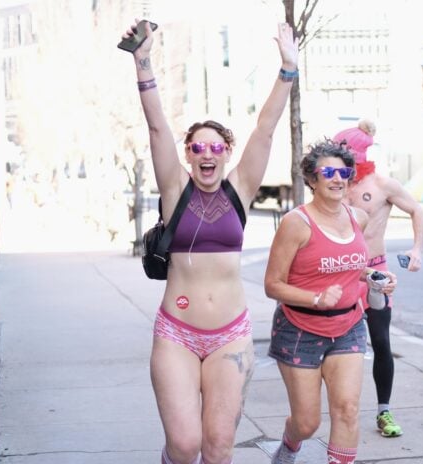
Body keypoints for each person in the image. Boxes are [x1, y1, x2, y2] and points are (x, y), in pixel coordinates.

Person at [122, 19, 298, 464]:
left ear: (226, 154)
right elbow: (158, 127)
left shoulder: (239, 190)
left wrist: (288, 69)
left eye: (215, 148)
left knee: (218, 448)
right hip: (176, 335)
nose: (206, 154)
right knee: (184, 446)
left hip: (231, 337)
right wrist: (143, 63)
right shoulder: (174, 190)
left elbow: (266, 129)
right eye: (198, 148)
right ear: (188, 155)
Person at [264, 140, 398, 464]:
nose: (338, 178)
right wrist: (316, 297)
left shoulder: (358, 218)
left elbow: (349, 263)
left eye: (344, 172)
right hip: (300, 330)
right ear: (312, 179)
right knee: (307, 423)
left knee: (348, 410)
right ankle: (290, 446)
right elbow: (272, 285)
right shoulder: (296, 223)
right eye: (329, 172)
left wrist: (372, 276)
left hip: (349, 325)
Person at [334, 120, 423, 437]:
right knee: (337, 346)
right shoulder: (334, 186)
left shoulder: (382, 185)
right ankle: (341, 412)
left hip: (374, 272)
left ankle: (384, 411)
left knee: (381, 341)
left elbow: (417, 210)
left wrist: (417, 249)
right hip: (342, 271)